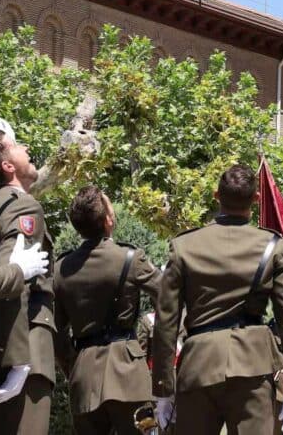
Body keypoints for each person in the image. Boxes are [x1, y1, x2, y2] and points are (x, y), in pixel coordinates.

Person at [152, 164, 283, 435]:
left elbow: (166, 322)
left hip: (198, 364)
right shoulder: (272, 245)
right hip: (253, 364)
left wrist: (162, 389)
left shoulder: (184, 246)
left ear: (216, 196)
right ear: (256, 199)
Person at [53, 185, 161, 434]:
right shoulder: (130, 258)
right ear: (108, 221)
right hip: (129, 374)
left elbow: (56, 332)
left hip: (84, 379)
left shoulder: (61, 269)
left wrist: (74, 365)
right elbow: (167, 298)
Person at [0, 129, 55, 434]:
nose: (26, 147)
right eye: (17, 145)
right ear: (7, 166)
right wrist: (18, 362)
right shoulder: (22, 206)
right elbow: (16, 283)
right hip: (19, 345)